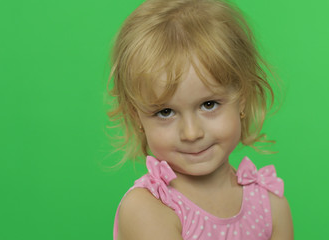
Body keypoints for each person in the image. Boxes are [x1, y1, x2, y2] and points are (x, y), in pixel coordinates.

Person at [108, 0, 293, 239]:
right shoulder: (148, 208)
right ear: (137, 117)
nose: (191, 133)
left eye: (209, 105)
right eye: (165, 112)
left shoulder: (270, 205)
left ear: (242, 99)